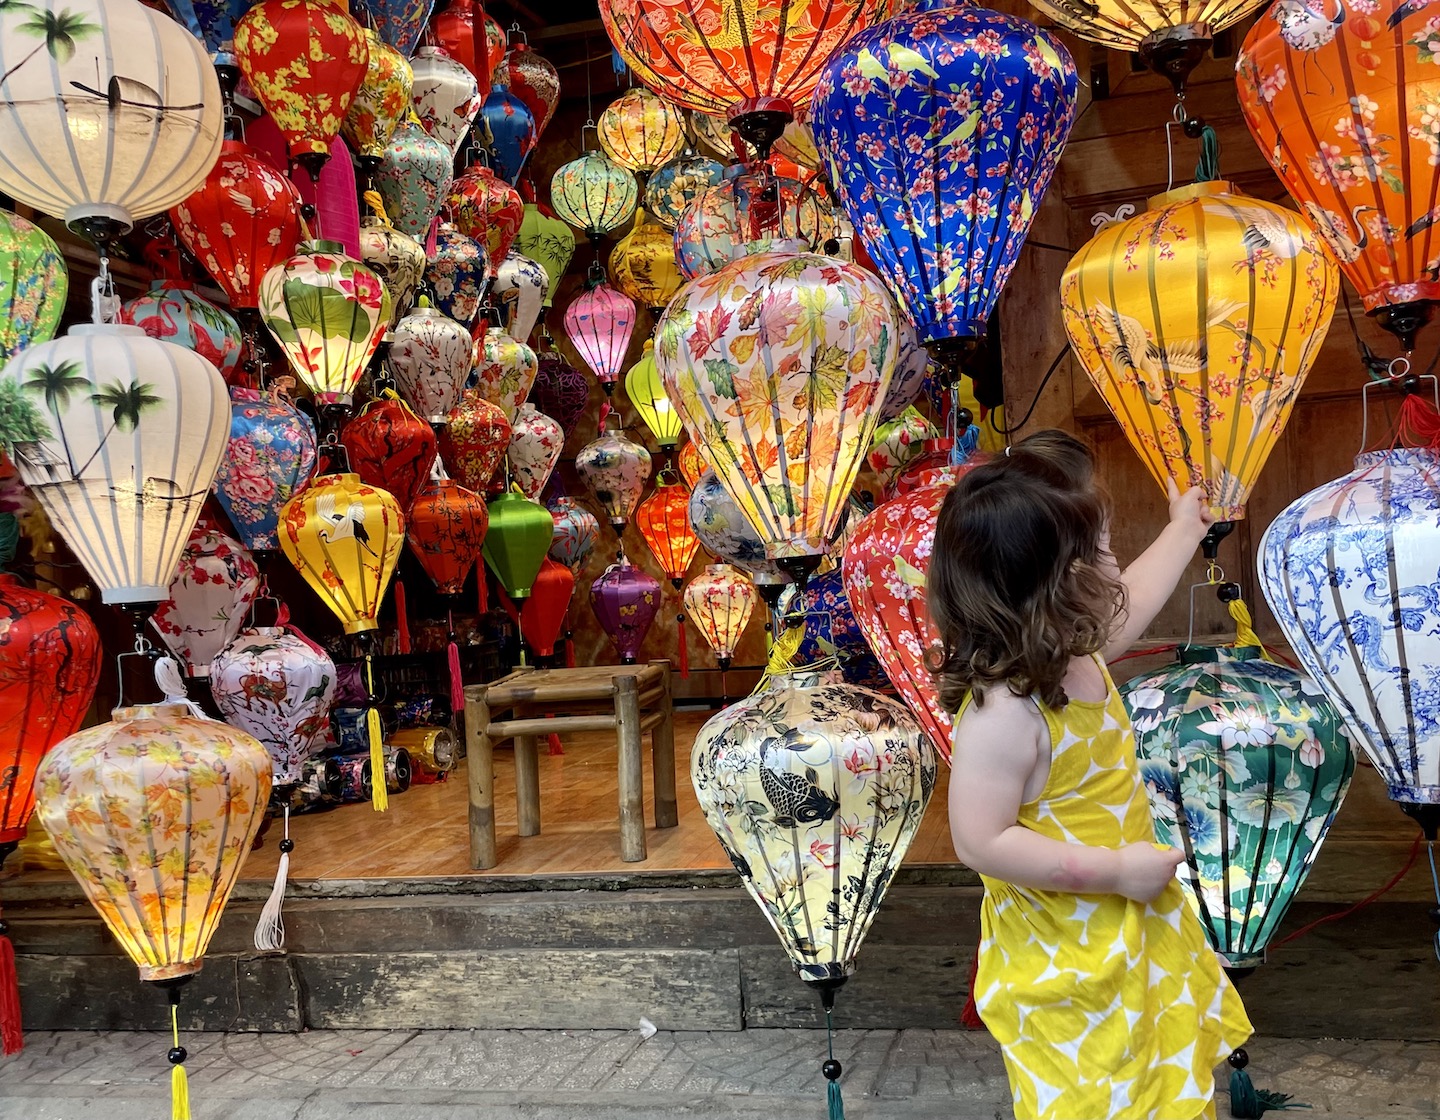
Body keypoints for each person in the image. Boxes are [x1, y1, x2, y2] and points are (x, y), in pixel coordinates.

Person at [929, 430, 1252, 1120]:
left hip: (1130, 927)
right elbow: (980, 843)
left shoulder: (1073, 651)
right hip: (1064, 956)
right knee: (1094, 1096)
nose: (1115, 560)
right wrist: (1116, 873)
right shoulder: (1006, 711)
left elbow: (1130, 601)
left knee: (1155, 1081)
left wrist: (1186, 527)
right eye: (1102, 550)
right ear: (1059, 583)